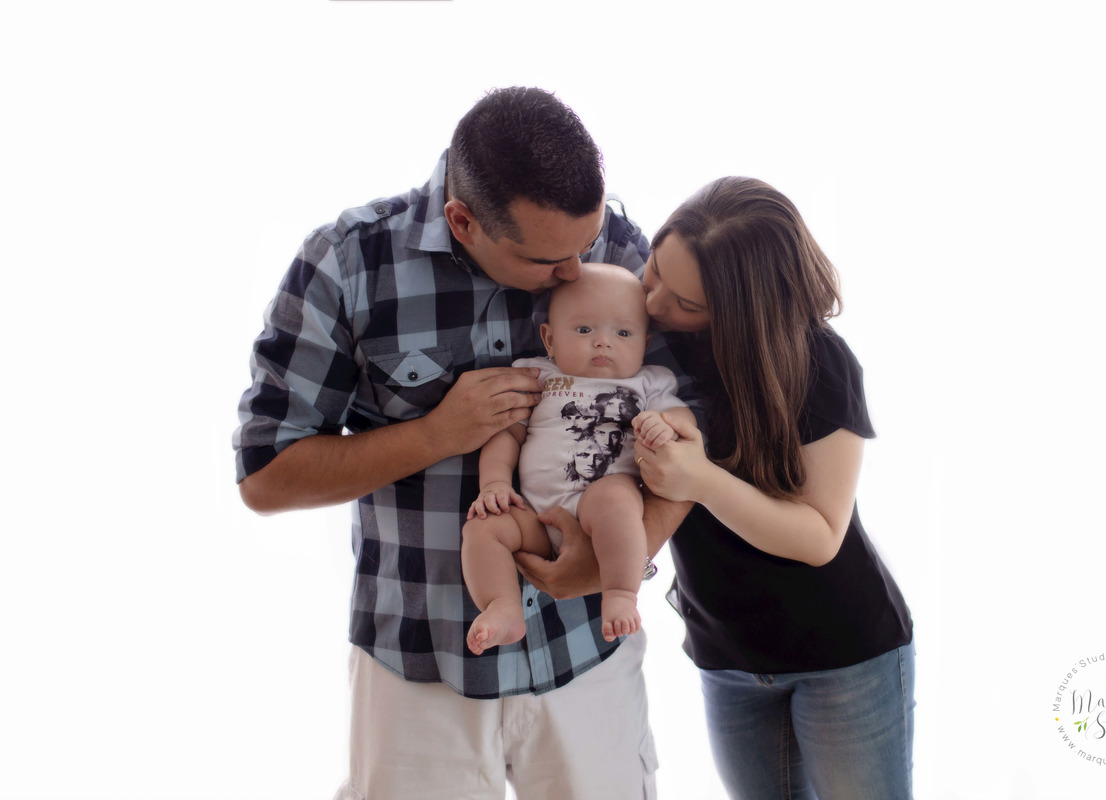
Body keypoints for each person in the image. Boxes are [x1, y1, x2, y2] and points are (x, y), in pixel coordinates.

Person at [233, 87, 688, 800]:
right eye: (549, 261)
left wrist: (613, 563)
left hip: (586, 655)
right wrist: (435, 435)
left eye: (586, 244)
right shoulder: (348, 267)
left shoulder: (621, 251)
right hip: (420, 660)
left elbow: (701, 440)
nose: (578, 272)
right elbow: (266, 476)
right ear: (463, 221)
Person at [525, 176, 916, 799]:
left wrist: (701, 480)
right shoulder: (656, 343)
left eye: (684, 302)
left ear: (742, 310)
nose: (651, 306)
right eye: (653, 269)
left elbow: (820, 536)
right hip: (727, 656)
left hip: (844, 657)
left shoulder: (820, 365)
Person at [462, 263, 692, 653]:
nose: (603, 343)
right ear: (549, 340)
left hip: (598, 509)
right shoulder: (538, 377)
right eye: (584, 330)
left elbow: (685, 421)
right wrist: (494, 484)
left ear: (645, 341)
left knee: (616, 498)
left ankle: (620, 592)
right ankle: (502, 606)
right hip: (534, 516)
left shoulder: (649, 382)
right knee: (483, 528)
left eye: (623, 333)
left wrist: (666, 423)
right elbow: (506, 435)